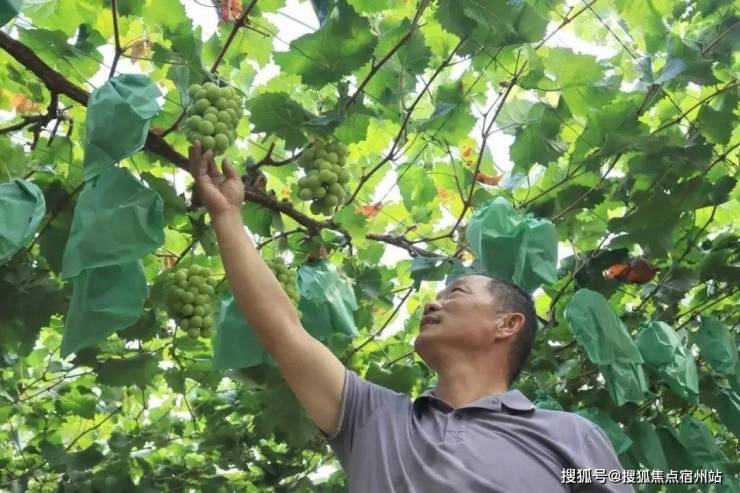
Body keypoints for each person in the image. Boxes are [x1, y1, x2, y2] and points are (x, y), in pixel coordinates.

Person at [188, 143, 635, 493]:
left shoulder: (571, 436)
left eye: (456, 292)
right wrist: (227, 215)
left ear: (507, 324)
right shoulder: (372, 418)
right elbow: (283, 330)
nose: (432, 304)